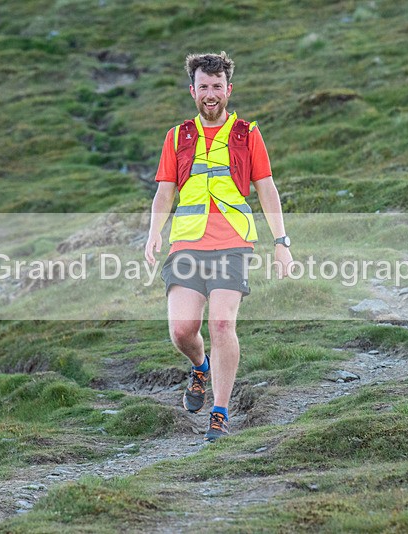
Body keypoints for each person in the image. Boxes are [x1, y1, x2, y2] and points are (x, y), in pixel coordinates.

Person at [145, 51, 292, 442]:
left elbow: (267, 189)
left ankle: (220, 412)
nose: (211, 94)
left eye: (217, 86)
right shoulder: (178, 136)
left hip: (233, 242)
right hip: (187, 244)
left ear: (229, 89)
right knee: (182, 330)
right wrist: (154, 231)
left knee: (223, 322)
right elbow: (164, 193)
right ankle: (200, 367)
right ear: (193, 90)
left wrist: (281, 242)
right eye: (203, 87)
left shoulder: (247, 134)